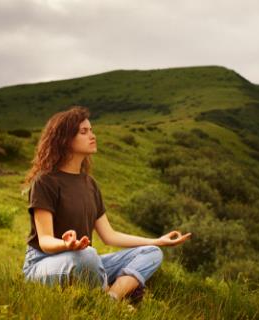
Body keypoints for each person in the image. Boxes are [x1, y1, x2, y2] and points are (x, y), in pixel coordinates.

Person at [21, 106, 191, 304]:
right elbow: (45, 242)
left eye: (91, 130)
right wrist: (66, 245)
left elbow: (109, 236)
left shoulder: (89, 184)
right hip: (43, 264)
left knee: (151, 253)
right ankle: (117, 294)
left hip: (81, 261)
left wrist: (157, 241)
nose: (92, 136)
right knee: (88, 255)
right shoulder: (45, 182)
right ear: (65, 140)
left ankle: (111, 298)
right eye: (84, 132)